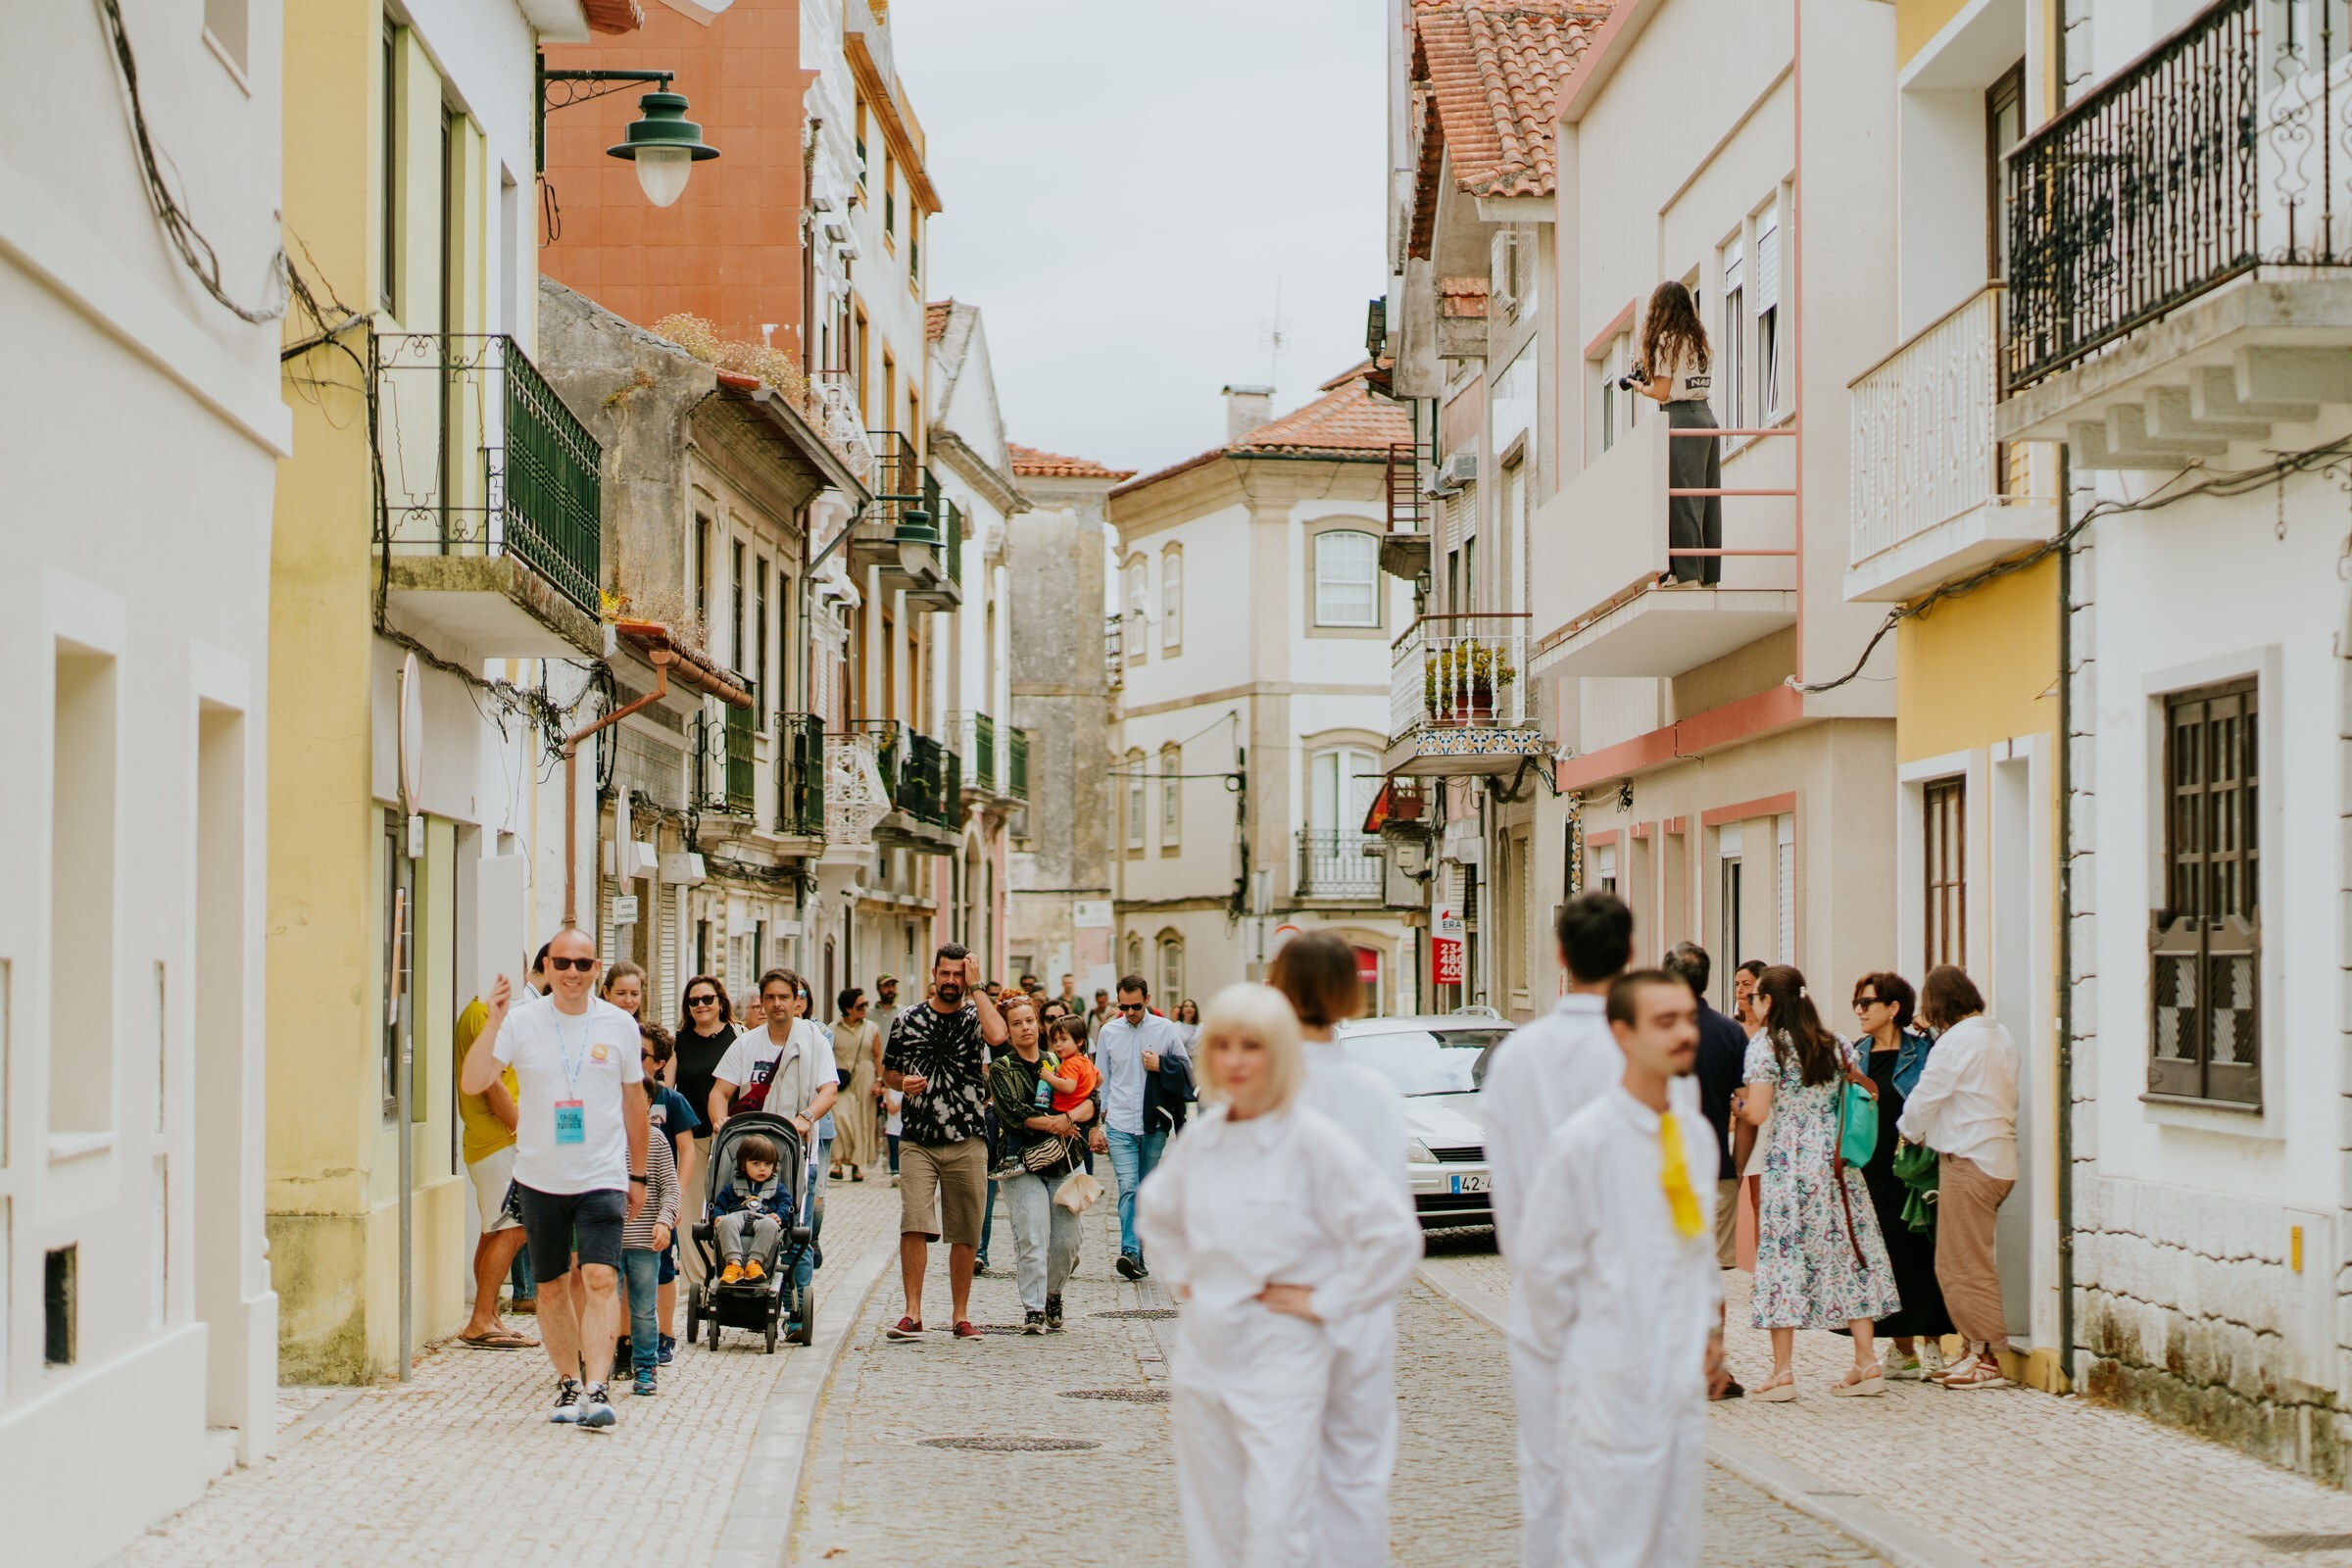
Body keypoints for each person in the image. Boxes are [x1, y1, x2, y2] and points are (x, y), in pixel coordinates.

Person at [1138, 984, 1421, 1568]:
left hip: (1284, 1358)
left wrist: (1331, 1298)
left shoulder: (1314, 1143)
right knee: (1215, 1525)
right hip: (1206, 1355)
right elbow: (1157, 1214)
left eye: (1253, 1046)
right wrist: (1189, 1277)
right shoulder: (1205, 1141)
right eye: (1223, 1046)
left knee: (1277, 1523)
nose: (1236, 1060)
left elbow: (1393, 1236)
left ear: (1280, 1055)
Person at [1519, 971, 1726, 1568]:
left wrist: (1710, 1330)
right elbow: (1543, 1275)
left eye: (1688, 1019)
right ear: (1622, 1034)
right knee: (1606, 1547)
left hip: (1679, 1386)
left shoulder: (1691, 1135)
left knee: (1673, 1544)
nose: (1685, 1034)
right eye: (1665, 1022)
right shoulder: (1583, 1143)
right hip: (1610, 1384)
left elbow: (1693, 1248)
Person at [1479, 891, 1639, 1568]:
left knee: (1546, 1464)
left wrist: (1529, 1260)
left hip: (1544, 1282)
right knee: (1627, 1464)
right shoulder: (1644, 1055)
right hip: (1628, 1288)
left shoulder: (1518, 1058)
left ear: (1559, 956)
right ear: (1630, 956)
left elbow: (1505, 1176)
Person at [458, 927, 650, 1431]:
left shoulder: (618, 1025)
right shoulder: (520, 1021)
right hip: (539, 1176)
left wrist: (639, 1174)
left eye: (582, 964)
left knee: (601, 1276)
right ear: (545, 968)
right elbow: (474, 1081)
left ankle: (598, 1386)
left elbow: (635, 1103)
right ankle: (567, 1382)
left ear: (595, 970)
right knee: (549, 1286)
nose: (571, 973)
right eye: (561, 963)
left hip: (602, 1174)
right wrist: (493, 1021)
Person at [1269, 932, 1415, 1568]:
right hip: (1354, 1308)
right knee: (1357, 1481)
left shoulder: (1258, 1094)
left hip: (1272, 1309)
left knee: (1277, 1484)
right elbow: (1396, 1227)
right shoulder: (1374, 1096)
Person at [1740, 964, 1901, 1400]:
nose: (1752, 1003)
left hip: (1789, 1164)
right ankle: (1866, 1362)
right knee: (1848, 1251)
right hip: (1834, 1162)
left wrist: (1737, 1105)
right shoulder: (1837, 1043)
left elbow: (1757, 1113)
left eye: (1756, 996)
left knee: (1782, 1257)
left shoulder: (1765, 1047)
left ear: (1770, 1001)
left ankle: (1783, 1372)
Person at [1898, 964, 2019, 1392]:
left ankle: (1985, 1357)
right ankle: (1972, 1351)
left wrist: (1907, 1131)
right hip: (1997, 1158)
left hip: (1968, 1161)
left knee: (1962, 1265)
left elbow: (1924, 1097)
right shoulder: (1997, 1034)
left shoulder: (1956, 1042)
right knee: (1969, 1260)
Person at [882, 945, 1007, 1342]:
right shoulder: (907, 1020)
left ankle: (960, 1315)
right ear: (933, 972)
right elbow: (888, 1071)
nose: (951, 981)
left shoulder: (975, 1015)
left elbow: (999, 1036)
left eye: (958, 975)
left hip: (968, 1135)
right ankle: (913, 1313)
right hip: (918, 1138)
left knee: (966, 1229)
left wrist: (978, 988)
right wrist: (902, 1083)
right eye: (946, 974)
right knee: (914, 1223)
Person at [710, 969, 839, 1317]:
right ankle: (744, 1286)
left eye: (784, 997)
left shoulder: (814, 1041)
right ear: (763, 1003)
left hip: (798, 1151)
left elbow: (829, 1090)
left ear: (797, 1000)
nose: (777, 1003)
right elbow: (720, 1092)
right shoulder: (747, 1043)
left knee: (798, 1234)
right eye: (771, 997)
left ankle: (796, 1311)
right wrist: (720, 1121)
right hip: (750, 1152)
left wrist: (806, 1118)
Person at [1845, 972, 1949, 1380]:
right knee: (1883, 1259)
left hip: (1912, 1167)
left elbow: (1943, 1082)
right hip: (1870, 1169)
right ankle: (1902, 1349)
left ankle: (1935, 1344)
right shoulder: (1855, 1054)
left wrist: (1932, 1027)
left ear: (1893, 1008)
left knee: (1921, 1254)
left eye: (1867, 1002)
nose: (1859, 1010)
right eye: (1857, 1002)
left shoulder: (1922, 1051)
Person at [988, 994, 1098, 1332]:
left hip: (1065, 1160)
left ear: (1040, 1023)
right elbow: (1014, 1114)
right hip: (1021, 1163)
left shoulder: (1059, 1059)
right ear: (1007, 1031)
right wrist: (1055, 1123)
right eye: (1017, 1024)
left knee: (1068, 1240)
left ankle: (1053, 1293)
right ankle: (1034, 1309)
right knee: (1033, 1234)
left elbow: (1092, 1096)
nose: (1025, 1029)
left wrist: (1071, 1118)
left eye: (1030, 1021)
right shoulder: (1002, 1068)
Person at [1097, 972, 1192, 1280]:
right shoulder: (1109, 1032)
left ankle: (1137, 1252)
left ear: (1147, 1000)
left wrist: (1160, 1065)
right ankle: (1130, 1251)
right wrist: (1101, 1118)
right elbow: (1102, 1079)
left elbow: (1186, 1071)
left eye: (1136, 1006)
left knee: (1145, 1190)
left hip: (1154, 1122)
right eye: (1125, 1007)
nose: (1131, 1013)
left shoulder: (1165, 1029)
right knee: (1129, 1187)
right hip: (1120, 1122)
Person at [454, 995, 535, 1350]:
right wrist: (526, 1133)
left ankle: (489, 1316)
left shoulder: (485, 1013)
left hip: (494, 1141)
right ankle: (480, 1319)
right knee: (513, 1229)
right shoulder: (484, 1014)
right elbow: (491, 1084)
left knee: (495, 1230)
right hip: (499, 1141)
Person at [1629, 278, 1722, 587]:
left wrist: (1640, 386)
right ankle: (1707, 575)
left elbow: (1663, 390)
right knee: (1706, 499)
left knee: (1680, 498)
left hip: (1680, 418)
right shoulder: (1700, 340)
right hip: (1707, 418)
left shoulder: (1666, 341)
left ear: (1661, 310)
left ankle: (1686, 574)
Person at [1665, 943, 1746, 1273]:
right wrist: (1737, 1164)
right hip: (1716, 1170)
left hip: (1662, 1172)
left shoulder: (1649, 1027)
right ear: (1706, 981)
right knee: (1711, 1282)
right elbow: (1747, 1107)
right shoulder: (1731, 1033)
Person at [636, 1024, 702, 1365]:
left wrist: (676, 1198)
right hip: (623, 1201)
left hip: (659, 1199)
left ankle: (665, 1334)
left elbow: (686, 1150)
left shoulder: (670, 1100)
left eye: (642, 1054)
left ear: (659, 1063)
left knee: (663, 1267)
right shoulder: (613, 1094)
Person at [672, 975, 737, 1297]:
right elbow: (668, 1087)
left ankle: (729, 1274)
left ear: (721, 1002)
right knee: (691, 1209)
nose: (701, 1005)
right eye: (694, 1001)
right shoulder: (678, 1042)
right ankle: (696, 1284)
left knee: (726, 1209)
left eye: (707, 999)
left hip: (731, 1139)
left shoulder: (739, 1037)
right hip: (690, 1138)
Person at [615, 1067, 679, 1397]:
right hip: (606, 1239)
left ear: (649, 1102)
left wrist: (664, 1221)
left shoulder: (657, 1141)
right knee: (602, 1306)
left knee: (642, 1308)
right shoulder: (606, 1137)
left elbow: (671, 1188)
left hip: (644, 1240)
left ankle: (645, 1364)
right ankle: (596, 1363)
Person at [711, 1132, 790, 1283]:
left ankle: (754, 1263)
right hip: (736, 1218)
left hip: (764, 1218)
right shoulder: (732, 1187)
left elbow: (786, 1204)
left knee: (770, 1224)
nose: (762, 1169)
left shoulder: (777, 1188)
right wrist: (718, 1217)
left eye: (767, 1164)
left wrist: (780, 1215)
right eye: (756, 1164)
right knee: (725, 1222)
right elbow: (719, 1205)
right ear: (743, 1164)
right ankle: (733, 1264)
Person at [830, 988, 882, 1181]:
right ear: (848, 1008)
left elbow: (878, 1055)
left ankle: (856, 1164)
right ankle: (837, 1161)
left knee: (862, 1121)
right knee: (841, 1117)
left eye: (866, 1004)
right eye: (860, 1006)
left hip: (866, 1077)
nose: (865, 1009)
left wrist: (879, 1080)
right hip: (841, 1078)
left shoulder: (872, 1028)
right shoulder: (833, 1029)